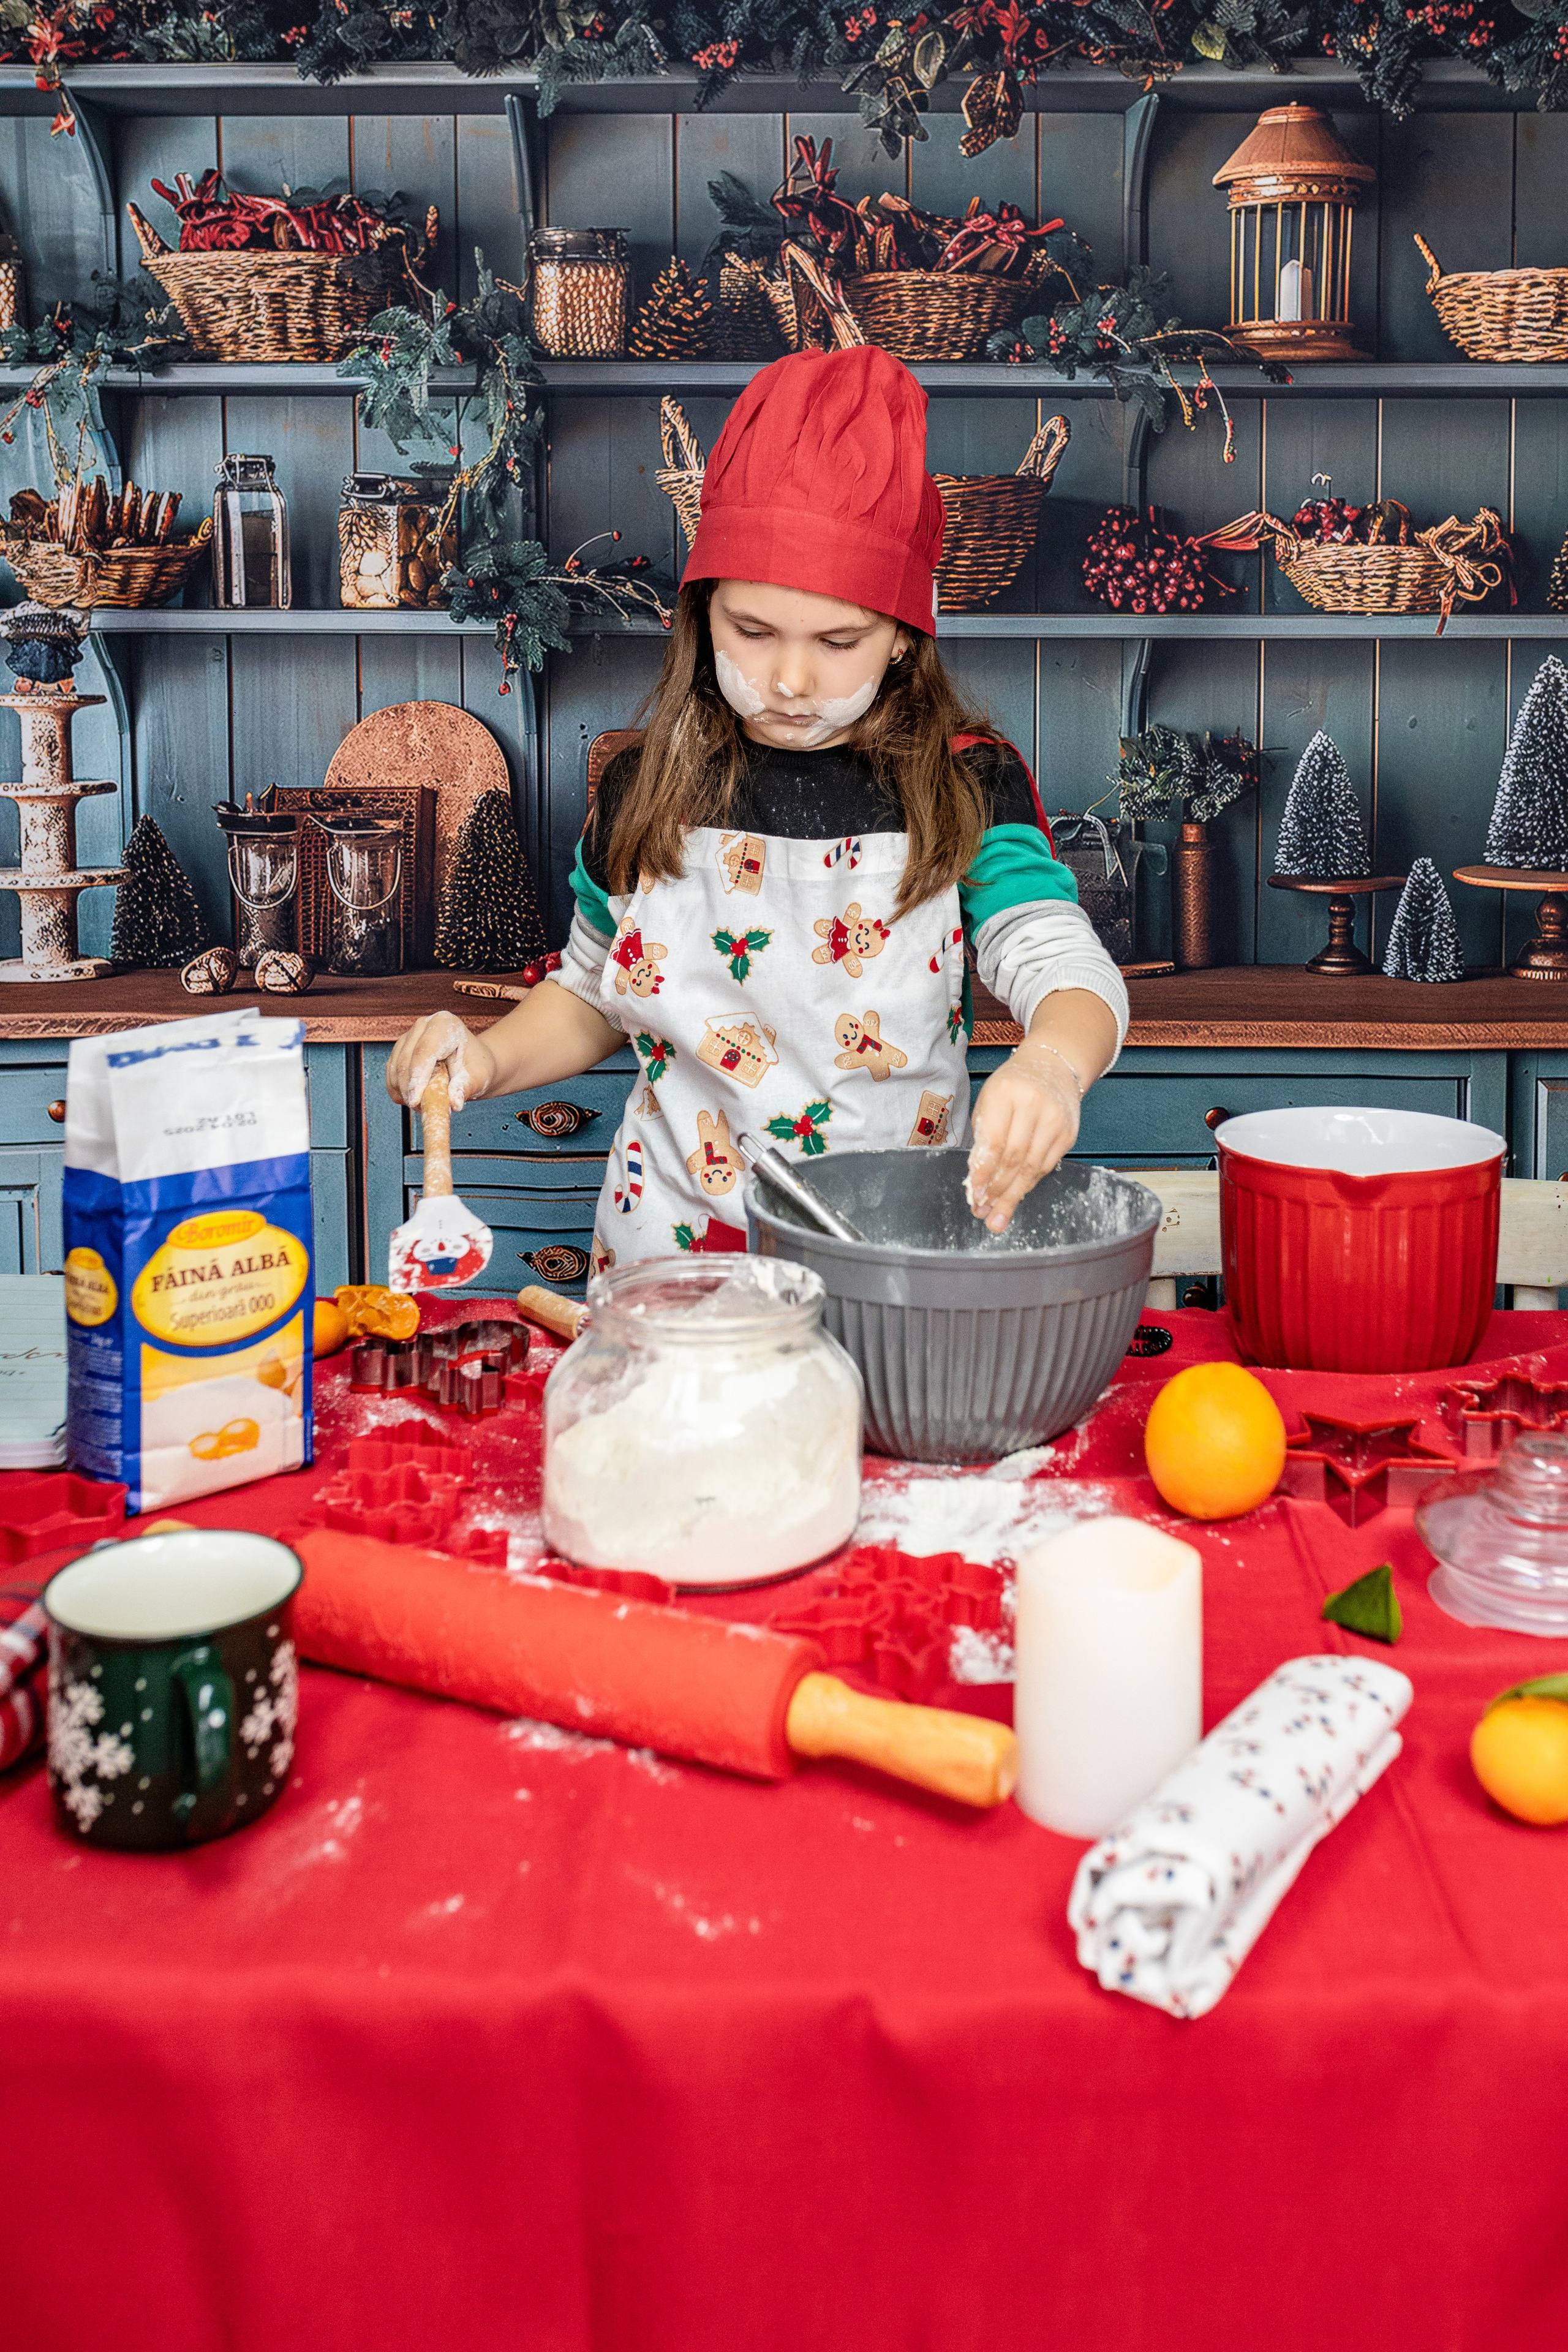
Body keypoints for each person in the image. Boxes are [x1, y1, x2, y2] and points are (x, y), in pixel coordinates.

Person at [387, 346, 1127, 1262]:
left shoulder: (966, 785)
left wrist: (1052, 1064)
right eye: (753, 630)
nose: (790, 679)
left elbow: (1064, 966)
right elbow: (592, 992)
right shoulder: (641, 788)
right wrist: (487, 1059)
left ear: (904, 636)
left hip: (884, 1256)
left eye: (839, 641)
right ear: (703, 614)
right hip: (668, 1258)